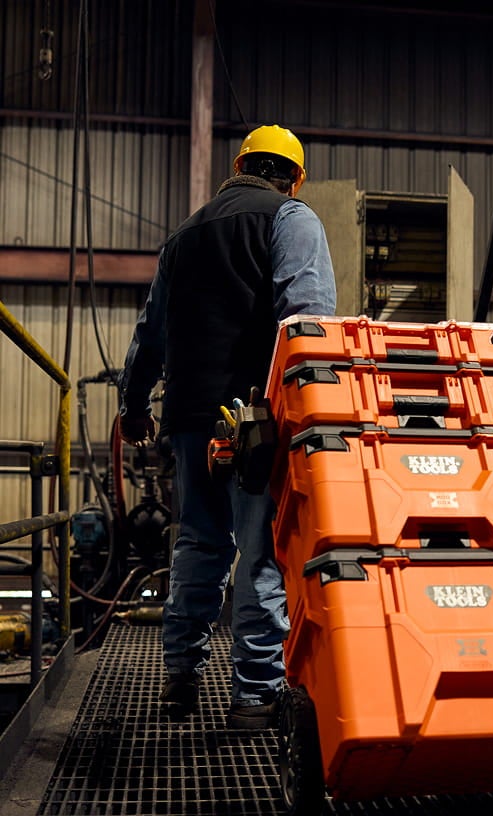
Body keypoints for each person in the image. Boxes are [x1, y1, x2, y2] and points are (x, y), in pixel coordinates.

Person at [117, 124, 337, 729]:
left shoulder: (183, 236)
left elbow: (150, 333)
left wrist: (134, 405)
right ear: (294, 176)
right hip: (257, 424)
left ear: (237, 165)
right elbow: (307, 321)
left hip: (190, 420)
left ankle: (180, 681)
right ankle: (253, 696)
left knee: (196, 544)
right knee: (261, 556)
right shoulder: (292, 218)